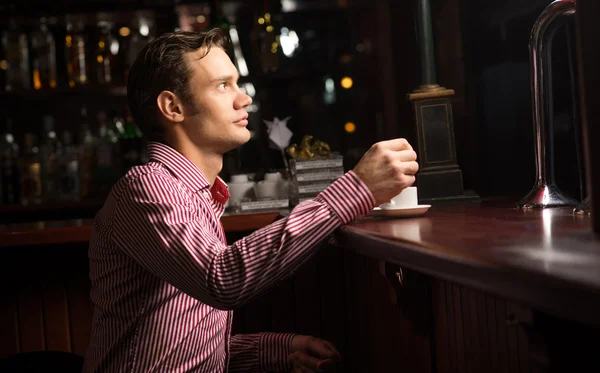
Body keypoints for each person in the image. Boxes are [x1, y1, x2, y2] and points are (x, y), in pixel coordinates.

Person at [83, 28, 419, 373]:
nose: (244, 99)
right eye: (222, 85)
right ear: (173, 106)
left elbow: (175, 341)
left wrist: (273, 350)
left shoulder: (194, 194)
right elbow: (222, 279)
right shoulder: (147, 186)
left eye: (237, 83)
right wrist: (356, 188)